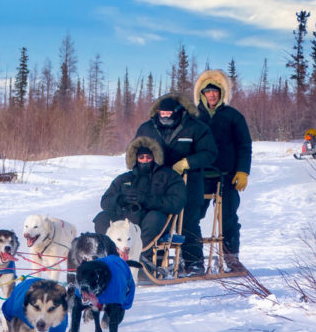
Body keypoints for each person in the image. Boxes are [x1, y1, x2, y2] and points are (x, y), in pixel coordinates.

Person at [135, 93, 218, 275]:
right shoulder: (147, 128)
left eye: (168, 114)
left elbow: (210, 152)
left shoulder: (195, 127)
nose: (164, 117)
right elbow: (136, 150)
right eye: (162, 114)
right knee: (157, 220)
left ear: (178, 112)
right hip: (156, 183)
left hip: (189, 182)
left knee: (188, 220)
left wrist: (187, 162)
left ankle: (194, 262)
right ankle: (153, 261)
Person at [193, 70, 252, 271]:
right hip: (200, 176)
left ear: (221, 93)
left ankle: (232, 259)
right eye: (207, 92)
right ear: (202, 93)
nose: (211, 95)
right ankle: (193, 261)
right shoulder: (193, 117)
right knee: (192, 217)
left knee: (228, 218)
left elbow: (244, 145)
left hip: (227, 176)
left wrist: (243, 171)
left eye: (215, 91)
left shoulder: (233, 116)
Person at [93, 136, 186, 249]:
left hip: (153, 220)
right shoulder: (124, 179)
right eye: (141, 157)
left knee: (154, 218)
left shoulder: (169, 176)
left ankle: (141, 254)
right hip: (126, 219)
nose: (145, 160)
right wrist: (121, 200)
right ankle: (111, 252)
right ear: (135, 158)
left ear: (155, 157)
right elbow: (105, 202)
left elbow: (177, 203)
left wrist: (147, 200)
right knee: (101, 218)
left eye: (148, 157)